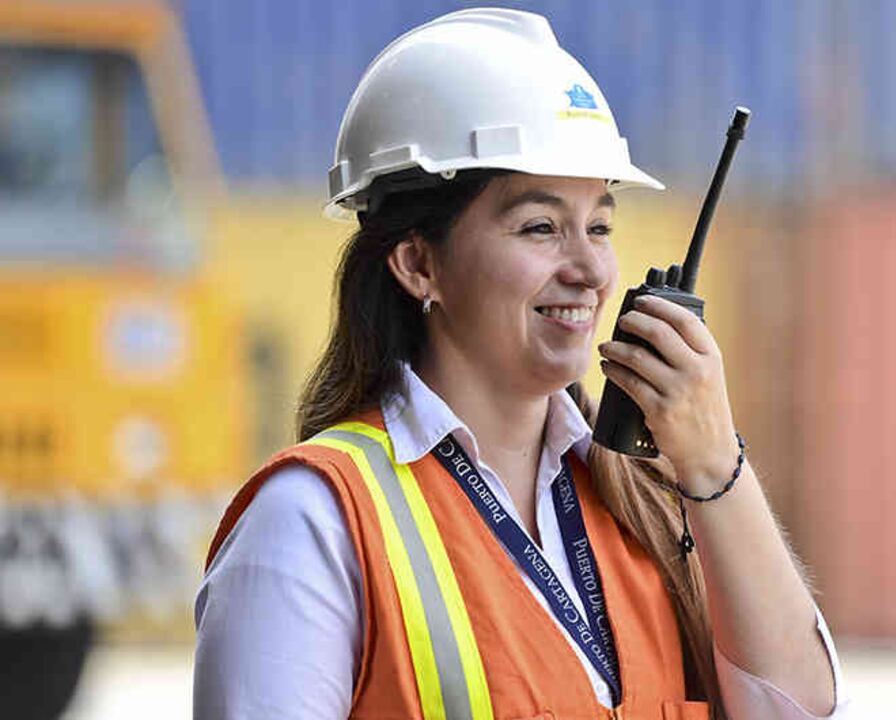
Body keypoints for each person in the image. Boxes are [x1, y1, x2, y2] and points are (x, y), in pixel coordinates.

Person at [194, 8, 850, 720]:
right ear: (418, 263)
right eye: (541, 227)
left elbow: (797, 710)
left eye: (598, 225)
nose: (591, 269)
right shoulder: (312, 522)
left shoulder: (651, 511)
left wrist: (714, 459)